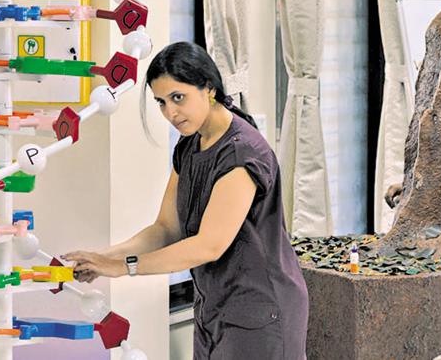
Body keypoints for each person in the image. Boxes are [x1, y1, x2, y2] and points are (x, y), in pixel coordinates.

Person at [62, 42, 309, 359]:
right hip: (214, 306)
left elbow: (209, 245)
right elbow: (166, 228)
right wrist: (102, 257)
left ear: (208, 87)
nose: (170, 112)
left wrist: (123, 268)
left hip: (261, 309)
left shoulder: (242, 152)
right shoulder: (190, 144)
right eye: (161, 102)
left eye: (178, 98)